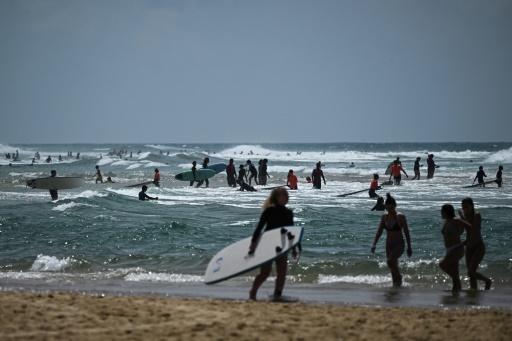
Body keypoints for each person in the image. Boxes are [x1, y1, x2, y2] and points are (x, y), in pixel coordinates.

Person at [249, 188, 298, 301]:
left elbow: (291, 232)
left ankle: (277, 294)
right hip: (267, 244)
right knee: (265, 273)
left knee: (282, 272)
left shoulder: (289, 213)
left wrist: (293, 248)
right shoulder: (269, 211)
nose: (287, 197)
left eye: (287, 195)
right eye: (284, 195)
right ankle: (253, 292)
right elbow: (259, 227)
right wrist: (253, 242)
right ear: (277, 197)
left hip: (282, 244)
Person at [371, 193, 412, 287]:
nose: (388, 207)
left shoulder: (400, 216)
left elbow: (406, 232)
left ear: (394, 205)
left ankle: (399, 276)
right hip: (388, 244)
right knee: (392, 265)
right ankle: (396, 287)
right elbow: (379, 231)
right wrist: (374, 244)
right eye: (387, 204)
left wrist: (409, 247)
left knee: (390, 261)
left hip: (399, 244)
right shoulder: (384, 217)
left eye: (390, 205)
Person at [459, 198, 492, 290]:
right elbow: (461, 231)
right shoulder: (464, 216)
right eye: (463, 207)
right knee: (471, 275)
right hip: (469, 248)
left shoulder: (476, 215)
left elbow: (472, 230)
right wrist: (460, 222)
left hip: (478, 247)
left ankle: (487, 281)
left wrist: (464, 242)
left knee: (471, 272)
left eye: (466, 206)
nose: (465, 209)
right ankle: (473, 293)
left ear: (471, 205)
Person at [439, 204, 471, 291]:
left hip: (457, 248)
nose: (440, 213)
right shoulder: (448, 221)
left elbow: (469, 227)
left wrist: (467, 240)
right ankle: (456, 294)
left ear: (445, 212)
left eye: (441, 211)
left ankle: (457, 281)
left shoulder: (455, 220)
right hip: (450, 250)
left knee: (442, 264)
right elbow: (461, 230)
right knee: (454, 273)